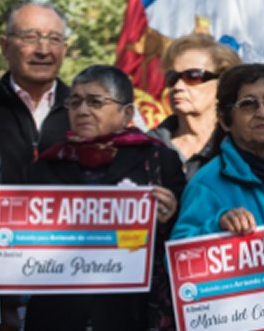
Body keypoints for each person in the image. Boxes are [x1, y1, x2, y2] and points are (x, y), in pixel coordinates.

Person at [14, 65, 186, 331]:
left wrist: (168, 220)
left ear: (126, 112)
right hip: (57, 315)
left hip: (131, 313)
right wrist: (0, 215)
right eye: (75, 102)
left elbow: (185, 239)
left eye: (95, 102)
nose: (82, 110)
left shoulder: (159, 160)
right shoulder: (44, 167)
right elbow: (21, 245)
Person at [172, 64, 264, 239]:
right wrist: (217, 226)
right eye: (248, 104)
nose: (263, 112)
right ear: (224, 119)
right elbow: (180, 255)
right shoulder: (207, 184)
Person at [0, 3, 71, 186]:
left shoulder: (84, 111)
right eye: (30, 37)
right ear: (5, 47)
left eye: (54, 39)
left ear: (64, 50)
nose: (43, 50)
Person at [148, 34, 241, 180]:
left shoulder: (240, 147)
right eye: (172, 77)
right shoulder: (147, 147)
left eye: (193, 76)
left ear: (223, 84)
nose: (178, 86)